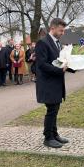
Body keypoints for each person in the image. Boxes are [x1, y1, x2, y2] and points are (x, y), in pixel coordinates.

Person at [35, 18, 69, 148]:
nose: (62, 33)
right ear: (52, 28)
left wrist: (72, 66)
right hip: (48, 84)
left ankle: (54, 135)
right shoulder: (42, 43)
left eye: (63, 30)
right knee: (51, 110)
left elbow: (60, 61)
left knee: (55, 109)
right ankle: (48, 138)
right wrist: (60, 70)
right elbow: (42, 65)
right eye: (61, 30)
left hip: (56, 83)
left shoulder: (58, 44)